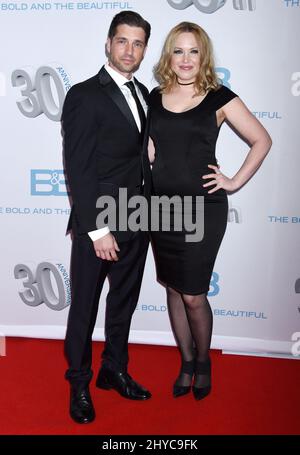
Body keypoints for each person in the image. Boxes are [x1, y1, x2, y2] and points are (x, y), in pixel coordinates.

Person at [146, 22, 272, 400]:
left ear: (204, 56)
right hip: (160, 207)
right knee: (172, 286)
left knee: (194, 294)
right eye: (178, 51)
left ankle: (204, 362)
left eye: (193, 51)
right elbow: (149, 145)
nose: (185, 59)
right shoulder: (153, 96)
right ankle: (185, 362)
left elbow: (261, 139)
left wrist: (233, 180)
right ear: (169, 55)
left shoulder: (218, 97)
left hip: (203, 208)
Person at [61, 11, 151, 424]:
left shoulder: (145, 93)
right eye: (122, 41)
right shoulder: (84, 94)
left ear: (144, 49)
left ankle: (113, 369)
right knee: (84, 306)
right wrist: (97, 229)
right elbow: (79, 169)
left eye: (137, 43)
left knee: (123, 302)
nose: (129, 50)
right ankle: (79, 382)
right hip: (100, 223)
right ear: (108, 43)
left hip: (138, 216)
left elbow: (137, 155)